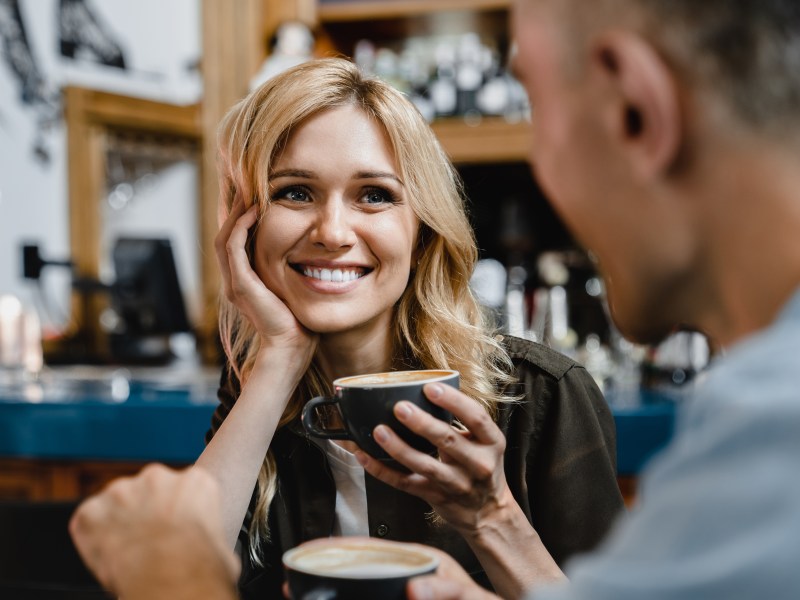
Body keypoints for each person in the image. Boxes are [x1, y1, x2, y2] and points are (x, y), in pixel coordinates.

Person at [382, 0, 800, 598]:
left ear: (633, 110)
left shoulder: (774, 428)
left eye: (535, 105)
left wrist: (194, 572)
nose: (537, 159)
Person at [196, 56, 622, 598]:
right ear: (244, 227)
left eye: (374, 195)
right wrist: (279, 356)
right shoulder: (256, 398)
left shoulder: (543, 396)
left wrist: (491, 517)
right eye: (294, 192)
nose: (332, 232)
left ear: (421, 231)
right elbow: (168, 581)